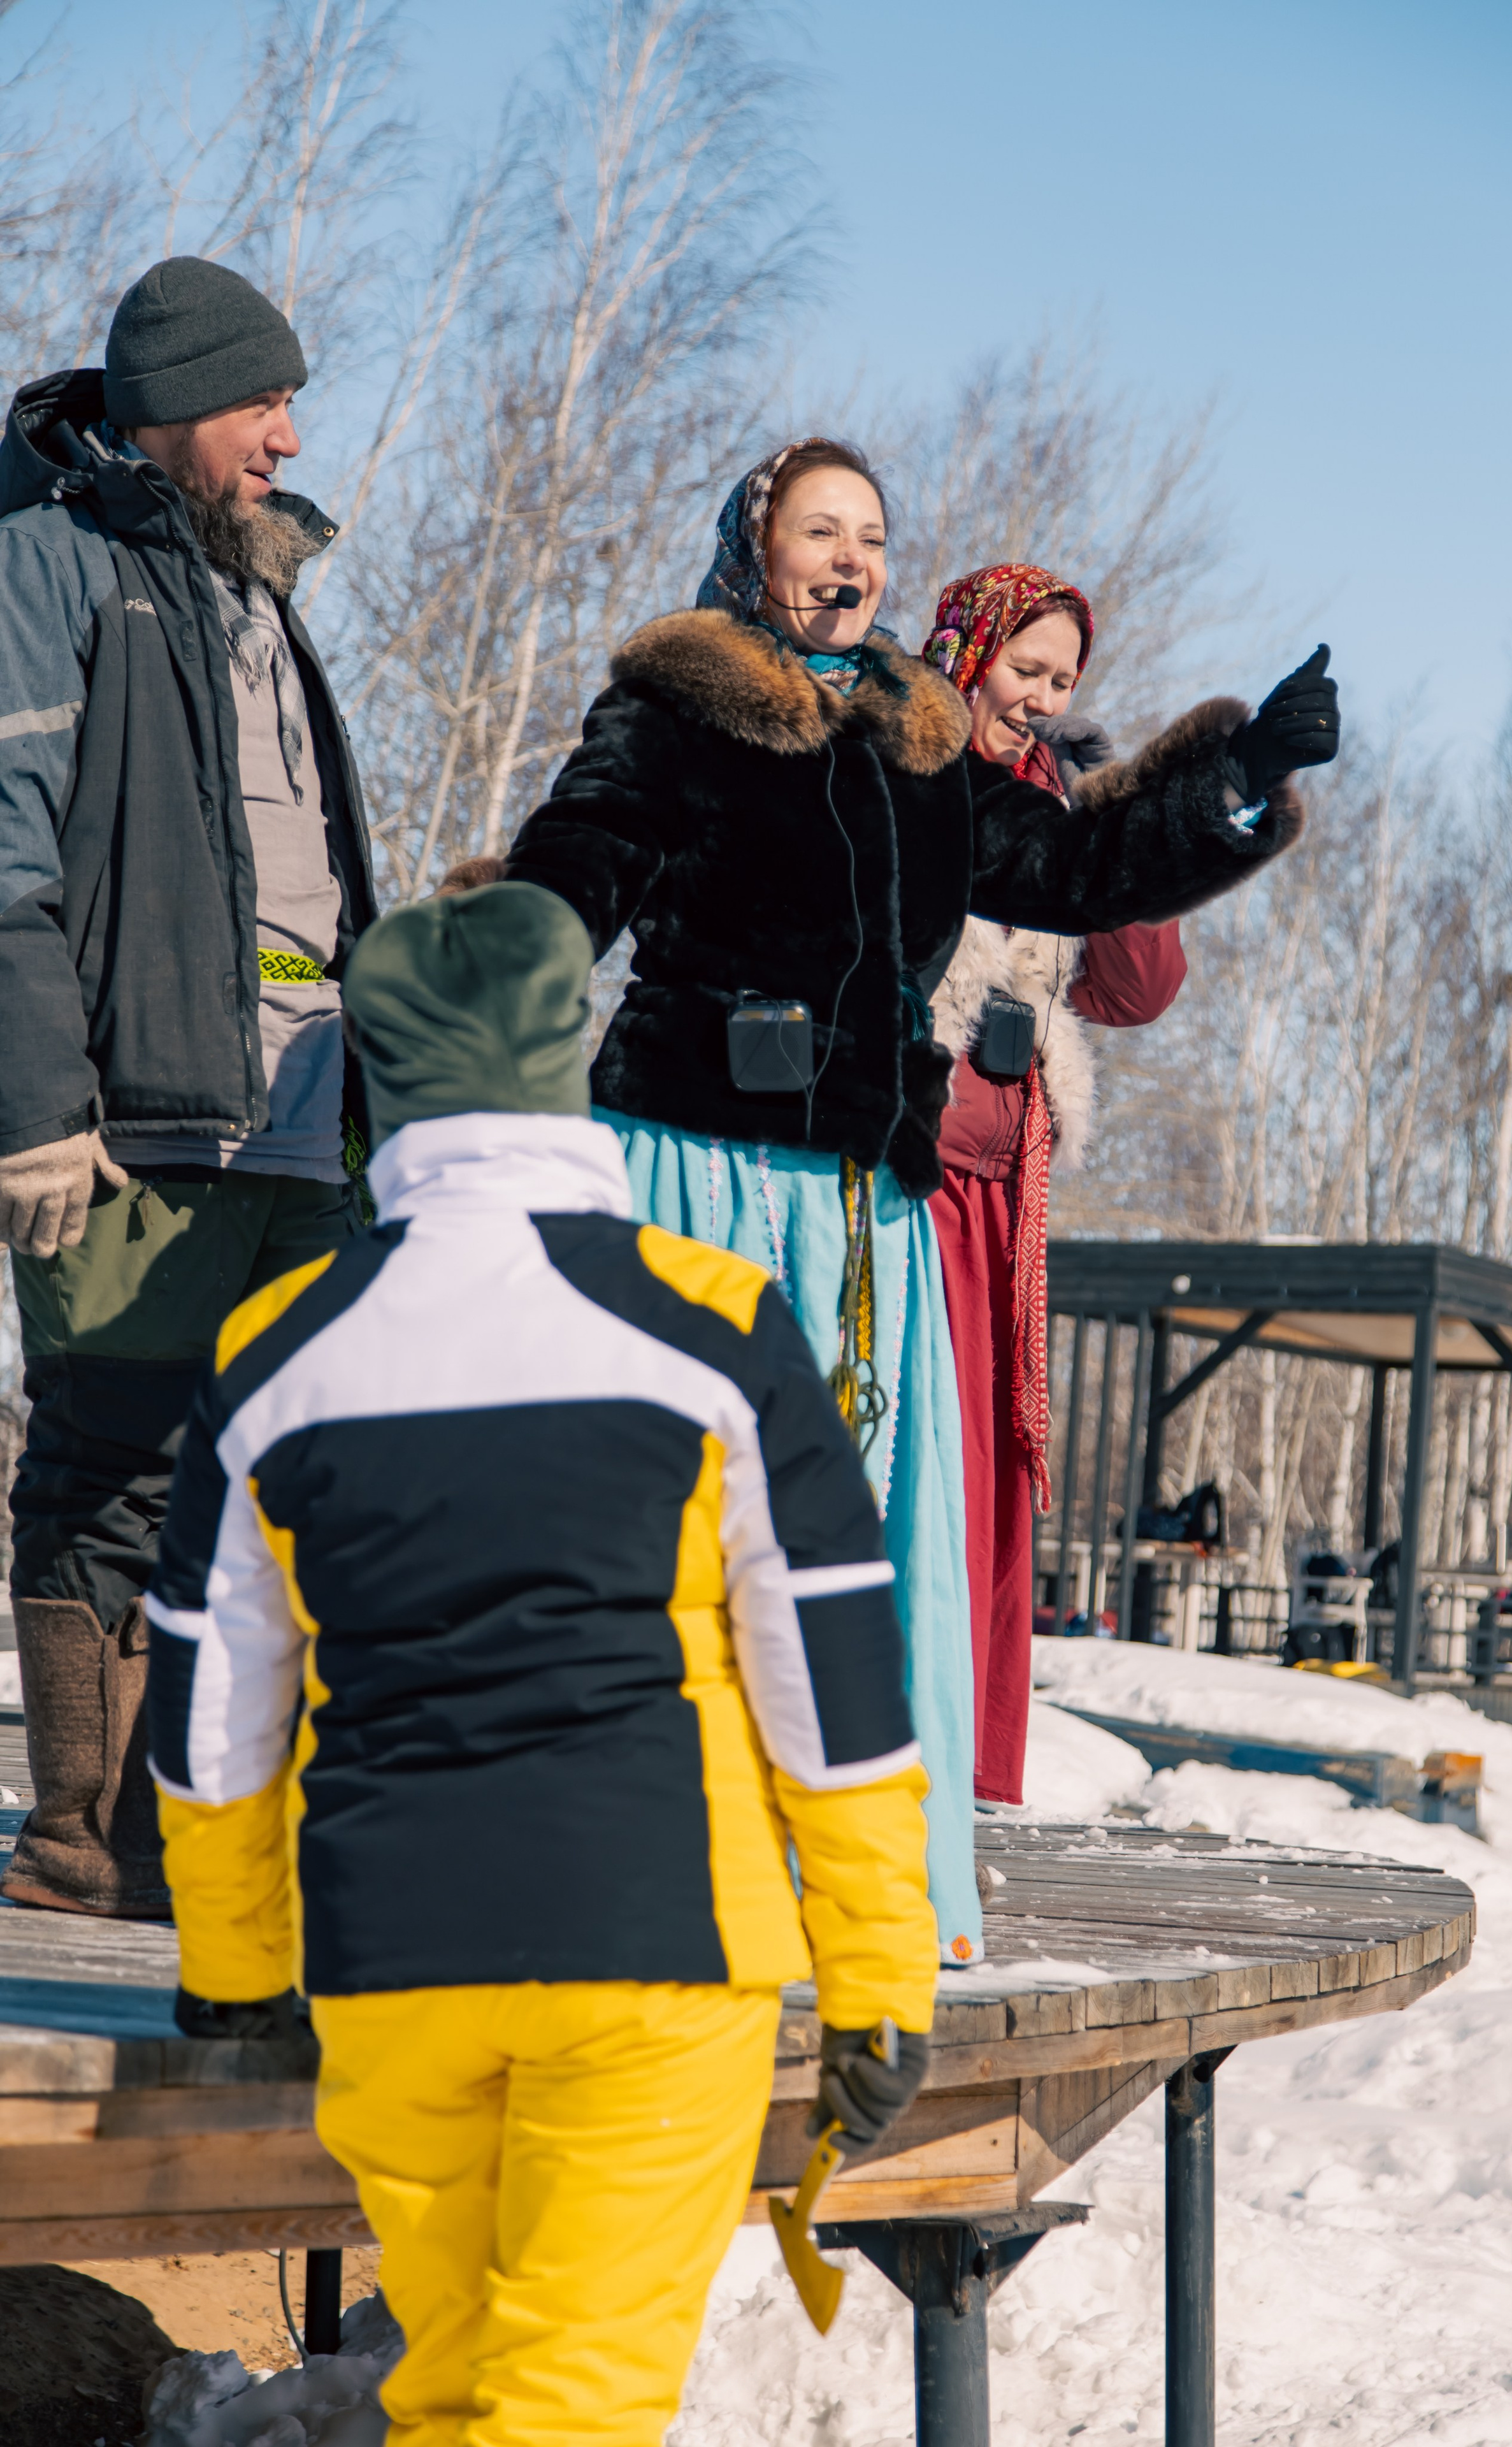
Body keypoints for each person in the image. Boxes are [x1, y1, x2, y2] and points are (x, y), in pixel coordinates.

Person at [491, 435, 1312, 1965]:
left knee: (864, 1538)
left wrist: (1237, 778)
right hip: (697, 1167)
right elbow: (576, 861)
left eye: (868, 533)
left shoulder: (918, 736)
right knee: (686, 1529)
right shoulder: (674, 707)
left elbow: (1072, 865)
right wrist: (488, 981)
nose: (848, 557)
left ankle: (859, 1884)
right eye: (817, 530)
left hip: (864, 1197)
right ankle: (652, 1871)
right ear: (757, 552)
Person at [146, 882, 939, 2447]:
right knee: (571, 2404)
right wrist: (878, 1974)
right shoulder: (712, 1326)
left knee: (451, 2382)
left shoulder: (276, 1351)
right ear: (573, 1055)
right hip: (651, 1947)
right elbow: (831, 1687)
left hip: (390, 1964)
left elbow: (210, 1715)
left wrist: (237, 1967)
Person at [0, 256, 374, 1919]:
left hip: (296, 1112)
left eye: (293, 402)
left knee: (277, 1469)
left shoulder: (259, 585)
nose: (289, 436)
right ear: (163, 402)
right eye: (260, 403)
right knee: (112, 1459)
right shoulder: (47, 563)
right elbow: (6, 858)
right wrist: (31, 1101)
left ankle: (211, 1843)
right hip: (128, 1120)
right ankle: (83, 1847)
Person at [923, 564, 1339, 1806]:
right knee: (927, 1463)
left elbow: (1135, 988)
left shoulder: (1049, 795)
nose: (1041, 699)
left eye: (1061, 681)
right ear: (963, 653)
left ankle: (976, 1773)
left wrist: (1199, 793)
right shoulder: (907, 774)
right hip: (910, 1160)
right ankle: (900, 1763)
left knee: (996, 1474)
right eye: (1022, 671)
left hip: (1013, 1177)